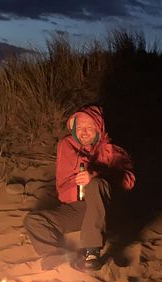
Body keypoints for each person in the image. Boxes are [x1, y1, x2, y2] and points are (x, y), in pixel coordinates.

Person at [24, 104, 135, 271]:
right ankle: (58, 255)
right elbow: (63, 191)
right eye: (80, 127)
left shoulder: (113, 151)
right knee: (34, 221)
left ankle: (92, 253)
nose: (83, 132)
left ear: (99, 128)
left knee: (95, 185)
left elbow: (129, 180)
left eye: (89, 127)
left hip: (107, 209)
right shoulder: (67, 146)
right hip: (79, 208)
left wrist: (97, 175)